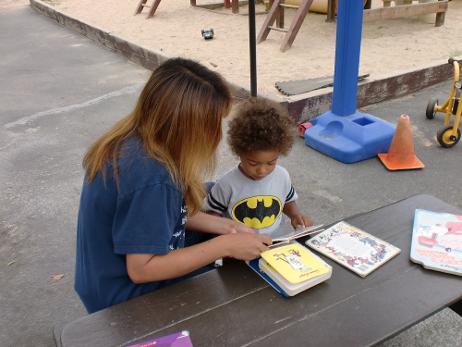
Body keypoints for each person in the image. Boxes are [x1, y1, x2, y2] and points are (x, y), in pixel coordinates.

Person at [75, 58, 272, 314]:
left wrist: (228, 227)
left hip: (99, 279)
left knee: (220, 238)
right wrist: (224, 246)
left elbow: (162, 214)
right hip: (123, 299)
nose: (217, 136)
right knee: (239, 294)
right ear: (188, 128)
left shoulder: (136, 141)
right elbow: (142, 269)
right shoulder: (153, 176)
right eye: (214, 125)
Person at [204, 98, 313, 235]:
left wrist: (296, 216)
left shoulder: (282, 176)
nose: (262, 170)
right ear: (239, 152)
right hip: (238, 246)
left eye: (271, 163)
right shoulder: (227, 184)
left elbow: (287, 200)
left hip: (273, 242)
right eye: (253, 163)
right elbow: (212, 215)